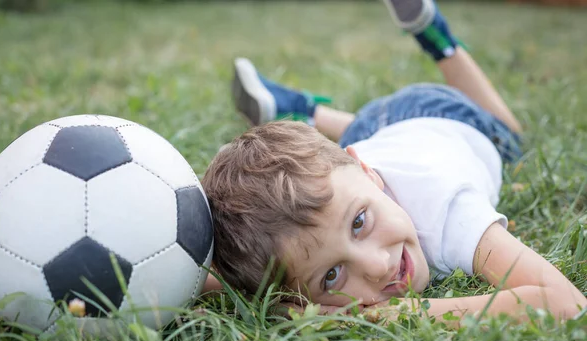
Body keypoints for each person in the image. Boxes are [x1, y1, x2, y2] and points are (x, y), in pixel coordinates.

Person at [201, 0, 586, 322]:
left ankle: (435, 35)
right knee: (357, 143)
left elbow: (564, 302)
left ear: (368, 173)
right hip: (370, 135)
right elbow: (225, 281)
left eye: (359, 223)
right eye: (332, 276)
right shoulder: (343, 185)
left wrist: (398, 313)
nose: (376, 265)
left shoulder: (447, 211)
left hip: (447, 115)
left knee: (510, 133)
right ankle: (298, 112)